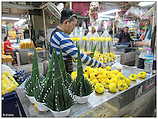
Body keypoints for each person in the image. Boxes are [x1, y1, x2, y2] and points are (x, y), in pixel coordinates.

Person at [49, 9, 107, 74]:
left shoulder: (55, 33)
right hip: (60, 76)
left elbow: (67, 53)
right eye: (73, 25)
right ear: (66, 22)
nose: (73, 28)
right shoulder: (62, 37)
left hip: (59, 73)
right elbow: (79, 56)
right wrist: (100, 65)